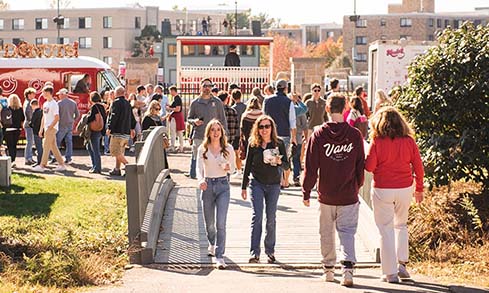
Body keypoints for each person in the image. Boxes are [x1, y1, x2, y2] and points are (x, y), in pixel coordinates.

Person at [302, 93, 365, 287]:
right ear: (345, 108)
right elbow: (360, 165)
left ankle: (329, 270)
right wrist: (358, 185)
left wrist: (306, 191)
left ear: (327, 109)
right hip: (348, 193)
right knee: (347, 231)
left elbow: (311, 167)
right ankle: (347, 269)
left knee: (326, 232)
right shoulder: (355, 135)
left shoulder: (319, 135)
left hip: (326, 193)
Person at [365, 106, 424, 283]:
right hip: (405, 188)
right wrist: (419, 189)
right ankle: (402, 265)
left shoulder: (377, 141)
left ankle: (390, 273)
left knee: (386, 230)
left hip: (383, 188)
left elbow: (369, 167)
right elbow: (419, 167)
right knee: (401, 225)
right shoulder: (409, 141)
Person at [241, 115, 289, 264]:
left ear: (272, 128)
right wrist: (243, 185)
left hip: (274, 184)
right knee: (257, 216)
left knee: (271, 218)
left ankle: (270, 251)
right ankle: (254, 253)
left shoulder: (278, 143)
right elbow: (247, 165)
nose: (264, 130)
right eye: (261, 127)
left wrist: (280, 161)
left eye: (267, 126)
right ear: (257, 129)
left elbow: (287, 166)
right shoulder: (253, 144)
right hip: (257, 183)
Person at [196, 119, 235, 269]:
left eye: (218, 129)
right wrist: (200, 180)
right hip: (207, 185)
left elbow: (233, 168)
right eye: (213, 130)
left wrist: (228, 167)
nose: (216, 132)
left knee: (221, 223)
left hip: (222, 186)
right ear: (208, 132)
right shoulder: (203, 149)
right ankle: (212, 243)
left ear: (221, 132)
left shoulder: (228, 148)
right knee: (210, 224)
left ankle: (220, 256)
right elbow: (199, 168)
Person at [186, 78, 228, 179]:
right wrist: (194, 121)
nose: (207, 88)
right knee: (198, 159)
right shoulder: (195, 103)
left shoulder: (217, 102)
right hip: (199, 135)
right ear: (200, 87)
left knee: (212, 159)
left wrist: (225, 134)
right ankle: (197, 179)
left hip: (214, 137)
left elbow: (222, 119)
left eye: (209, 86)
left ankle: (211, 179)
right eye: (205, 86)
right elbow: (188, 119)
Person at [263, 79, 297, 188]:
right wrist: (294, 137)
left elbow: (263, 117)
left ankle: (273, 179)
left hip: (270, 132)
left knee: (270, 157)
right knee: (282, 159)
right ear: (286, 88)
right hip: (284, 133)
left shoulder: (267, 100)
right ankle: (282, 180)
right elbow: (292, 121)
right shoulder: (288, 102)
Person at [32, 86, 67, 172]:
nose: (42, 94)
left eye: (43, 92)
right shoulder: (45, 104)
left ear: (48, 93)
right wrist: (41, 129)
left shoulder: (54, 104)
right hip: (46, 128)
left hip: (51, 128)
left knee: (46, 146)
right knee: (53, 146)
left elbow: (57, 117)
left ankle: (42, 165)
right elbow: (44, 117)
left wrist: (50, 127)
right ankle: (61, 164)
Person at [106, 86, 136, 176]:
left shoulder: (116, 103)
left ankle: (129, 167)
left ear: (116, 93)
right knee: (120, 152)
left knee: (114, 151)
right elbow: (132, 117)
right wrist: (132, 128)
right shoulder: (128, 103)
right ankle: (117, 169)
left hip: (117, 132)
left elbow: (113, 117)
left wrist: (109, 127)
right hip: (126, 132)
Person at [56, 88, 80, 164]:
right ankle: (68, 157)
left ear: (62, 94)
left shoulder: (59, 104)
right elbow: (77, 114)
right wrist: (73, 120)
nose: (59, 96)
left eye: (59, 94)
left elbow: (56, 115)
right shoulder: (73, 103)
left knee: (57, 141)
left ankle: (55, 157)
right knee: (69, 142)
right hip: (70, 124)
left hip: (61, 124)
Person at [86, 92, 107, 174]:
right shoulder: (102, 106)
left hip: (94, 130)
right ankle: (95, 165)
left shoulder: (94, 107)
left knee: (94, 149)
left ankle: (97, 167)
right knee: (90, 147)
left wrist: (86, 116)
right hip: (100, 130)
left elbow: (91, 118)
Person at [291, 93, 308, 187]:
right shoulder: (299, 111)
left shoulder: (286, 109)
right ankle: (296, 176)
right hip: (297, 137)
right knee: (296, 158)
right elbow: (305, 126)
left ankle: (285, 177)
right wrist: (305, 137)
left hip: (288, 135)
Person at [4, 94, 25, 167]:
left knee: (9, 146)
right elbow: (23, 119)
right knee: (14, 145)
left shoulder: (8, 108)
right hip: (17, 129)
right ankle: (13, 160)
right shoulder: (20, 109)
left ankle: (10, 160)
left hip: (8, 129)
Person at [231, 89, 246, 174]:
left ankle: (239, 169)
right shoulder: (246, 106)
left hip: (236, 133)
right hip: (245, 132)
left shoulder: (233, 109)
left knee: (236, 152)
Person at [168, 85, 185, 153]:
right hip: (176, 117)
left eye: (170, 91)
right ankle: (180, 147)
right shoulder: (176, 98)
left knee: (176, 132)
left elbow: (178, 109)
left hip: (176, 117)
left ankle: (175, 147)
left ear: (173, 91)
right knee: (178, 132)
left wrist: (170, 108)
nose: (170, 93)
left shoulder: (177, 98)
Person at [23, 87, 37, 165]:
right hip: (29, 125)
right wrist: (32, 123)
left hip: (28, 124)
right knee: (30, 142)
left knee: (30, 142)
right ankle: (28, 158)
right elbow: (29, 115)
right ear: (29, 94)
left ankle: (29, 157)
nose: (34, 95)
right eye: (33, 94)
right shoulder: (29, 103)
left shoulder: (27, 102)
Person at [30, 99, 43, 165]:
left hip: (36, 131)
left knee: (38, 147)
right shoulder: (42, 111)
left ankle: (39, 162)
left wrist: (30, 125)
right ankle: (43, 160)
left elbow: (32, 122)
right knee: (42, 146)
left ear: (33, 105)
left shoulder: (35, 112)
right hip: (42, 131)